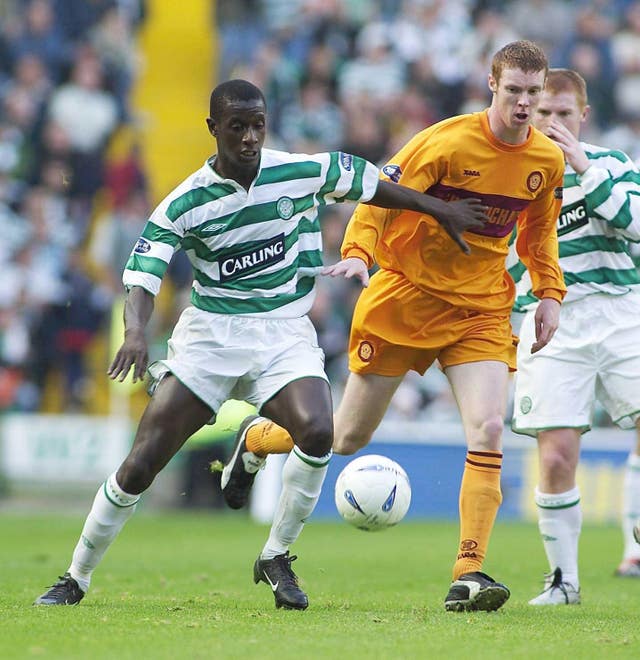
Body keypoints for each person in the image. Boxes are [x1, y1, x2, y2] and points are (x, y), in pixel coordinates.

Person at [33, 79, 488, 610]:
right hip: (212, 338)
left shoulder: (297, 171)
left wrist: (438, 209)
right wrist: (136, 332)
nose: (250, 137)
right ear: (213, 130)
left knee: (320, 431)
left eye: (258, 125)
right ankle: (75, 577)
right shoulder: (185, 202)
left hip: (283, 332)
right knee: (141, 464)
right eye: (237, 127)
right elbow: (143, 274)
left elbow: (366, 180)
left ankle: (276, 556)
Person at [220, 41, 567, 613]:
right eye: (515, 92)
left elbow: (538, 234)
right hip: (404, 296)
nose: (526, 104)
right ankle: (257, 439)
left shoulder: (545, 161)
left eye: (535, 93)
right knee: (346, 438)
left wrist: (550, 294)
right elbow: (378, 197)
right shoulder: (446, 141)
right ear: (492, 85)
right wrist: (358, 251)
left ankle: (470, 571)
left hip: (479, 309)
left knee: (488, 430)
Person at [510, 68, 640, 606]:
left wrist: (584, 169)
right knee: (557, 455)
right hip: (550, 321)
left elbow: (635, 222)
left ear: (582, 116)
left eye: (564, 114)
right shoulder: (508, 173)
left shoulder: (610, 162)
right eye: (544, 113)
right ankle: (564, 582)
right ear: (529, 112)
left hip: (623, 311)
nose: (553, 122)